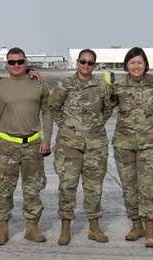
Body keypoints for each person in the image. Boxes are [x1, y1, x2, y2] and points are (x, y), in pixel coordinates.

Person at [48, 49, 115, 245]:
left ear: (94, 65)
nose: (86, 65)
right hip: (69, 145)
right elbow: (54, 106)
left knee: (94, 187)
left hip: (95, 144)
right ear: (77, 62)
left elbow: (108, 108)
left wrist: (95, 126)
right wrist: (66, 125)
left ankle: (94, 228)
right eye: (83, 61)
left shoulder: (102, 86)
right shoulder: (65, 85)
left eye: (90, 63)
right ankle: (65, 228)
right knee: (67, 186)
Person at [0, 47, 54, 244]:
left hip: (33, 144)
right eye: (12, 62)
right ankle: (2, 229)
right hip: (7, 144)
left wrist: (46, 139)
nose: (16, 65)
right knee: (3, 189)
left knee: (33, 188)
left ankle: (32, 227)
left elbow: (47, 112)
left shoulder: (39, 84)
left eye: (20, 62)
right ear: (6, 64)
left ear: (26, 63)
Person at [111, 46, 153, 248]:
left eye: (139, 62)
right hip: (123, 144)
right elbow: (108, 105)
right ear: (126, 65)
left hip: (148, 144)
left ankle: (150, 229)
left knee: (147, 186)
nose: (136, 66)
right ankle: (136, 225)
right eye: (132, 62)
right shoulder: (118, 86)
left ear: (145, 65)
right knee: (129, 186)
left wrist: (146, 117)